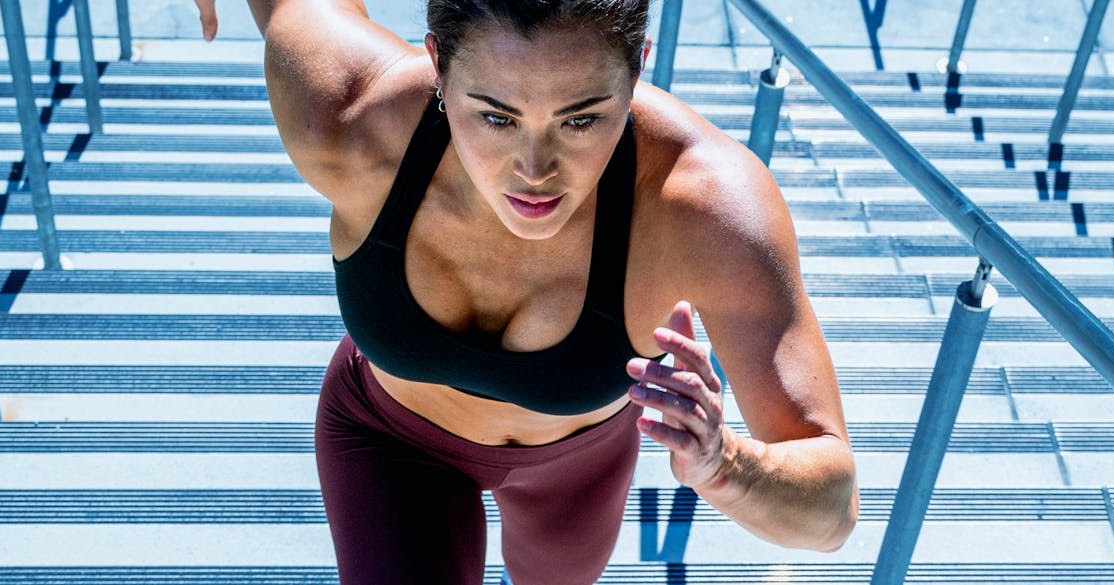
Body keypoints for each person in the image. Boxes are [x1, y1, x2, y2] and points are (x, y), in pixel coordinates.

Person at [195, 1, 858, 583]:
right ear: (436, 60)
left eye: (579, 120)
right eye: (496, 117)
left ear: (637, 68)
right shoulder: (345, 115)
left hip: (577, 472)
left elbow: (833, 510)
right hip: (386, 441)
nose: (535, 172)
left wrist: (727, 464)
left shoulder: (704, 209)